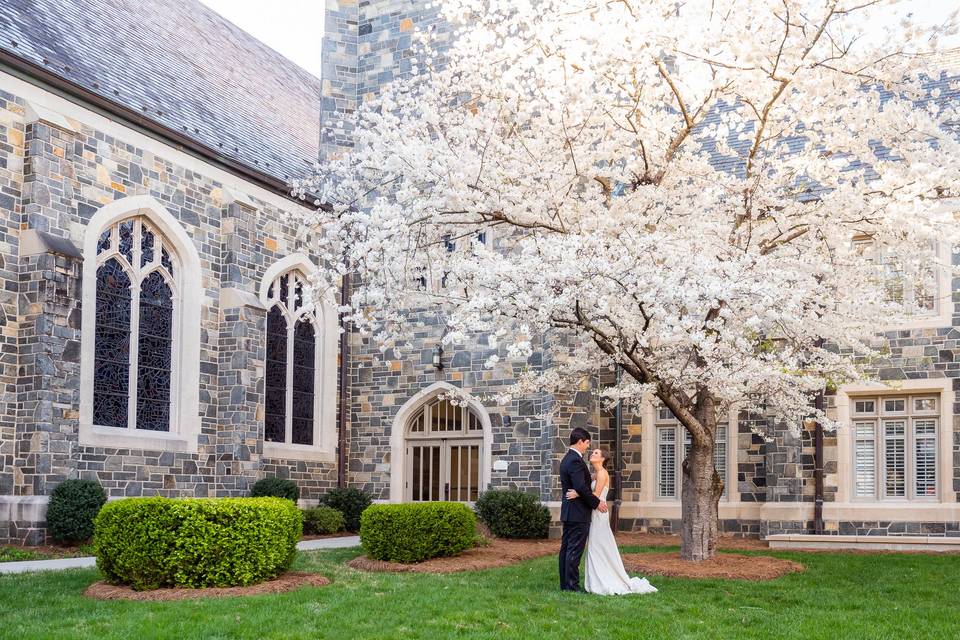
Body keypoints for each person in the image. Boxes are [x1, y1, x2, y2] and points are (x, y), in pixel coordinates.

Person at [567, 448, 657, 595]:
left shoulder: (602, 473)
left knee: (598, 545)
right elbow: (589, 492)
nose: (592, 454)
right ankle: (595, 579)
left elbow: (595, 495)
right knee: (595, 546)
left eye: (596, 453)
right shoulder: (595, 474)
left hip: (599, 514)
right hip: (594, 512)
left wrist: (577, 493)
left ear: (602, 458)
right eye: (593, 452)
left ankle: (603, 580)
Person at [558, 427, 606, 592]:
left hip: (570, 511)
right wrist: (596, 503)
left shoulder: (567, 459)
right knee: (574, 550)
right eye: (587, 443)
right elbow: (580, 486)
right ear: (580, 441)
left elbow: (579, 485)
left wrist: (588, 480)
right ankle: (572, 586)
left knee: (566, 549)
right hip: (578, 513)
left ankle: (565, 584)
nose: (587, 447)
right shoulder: (576, 460)